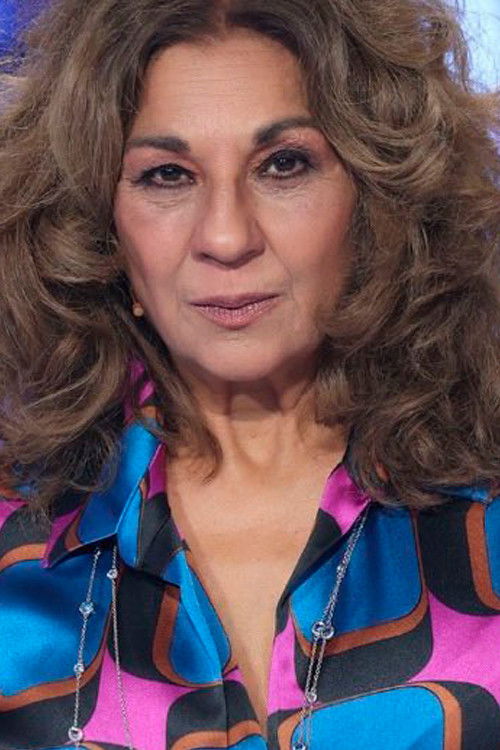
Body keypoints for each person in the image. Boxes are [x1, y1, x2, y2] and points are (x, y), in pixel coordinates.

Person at [0, 0, 498, 748]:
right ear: (101, 230)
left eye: (283, 165)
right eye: (168, 175)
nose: (227, 237)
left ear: (376, 203)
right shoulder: (18, 549)